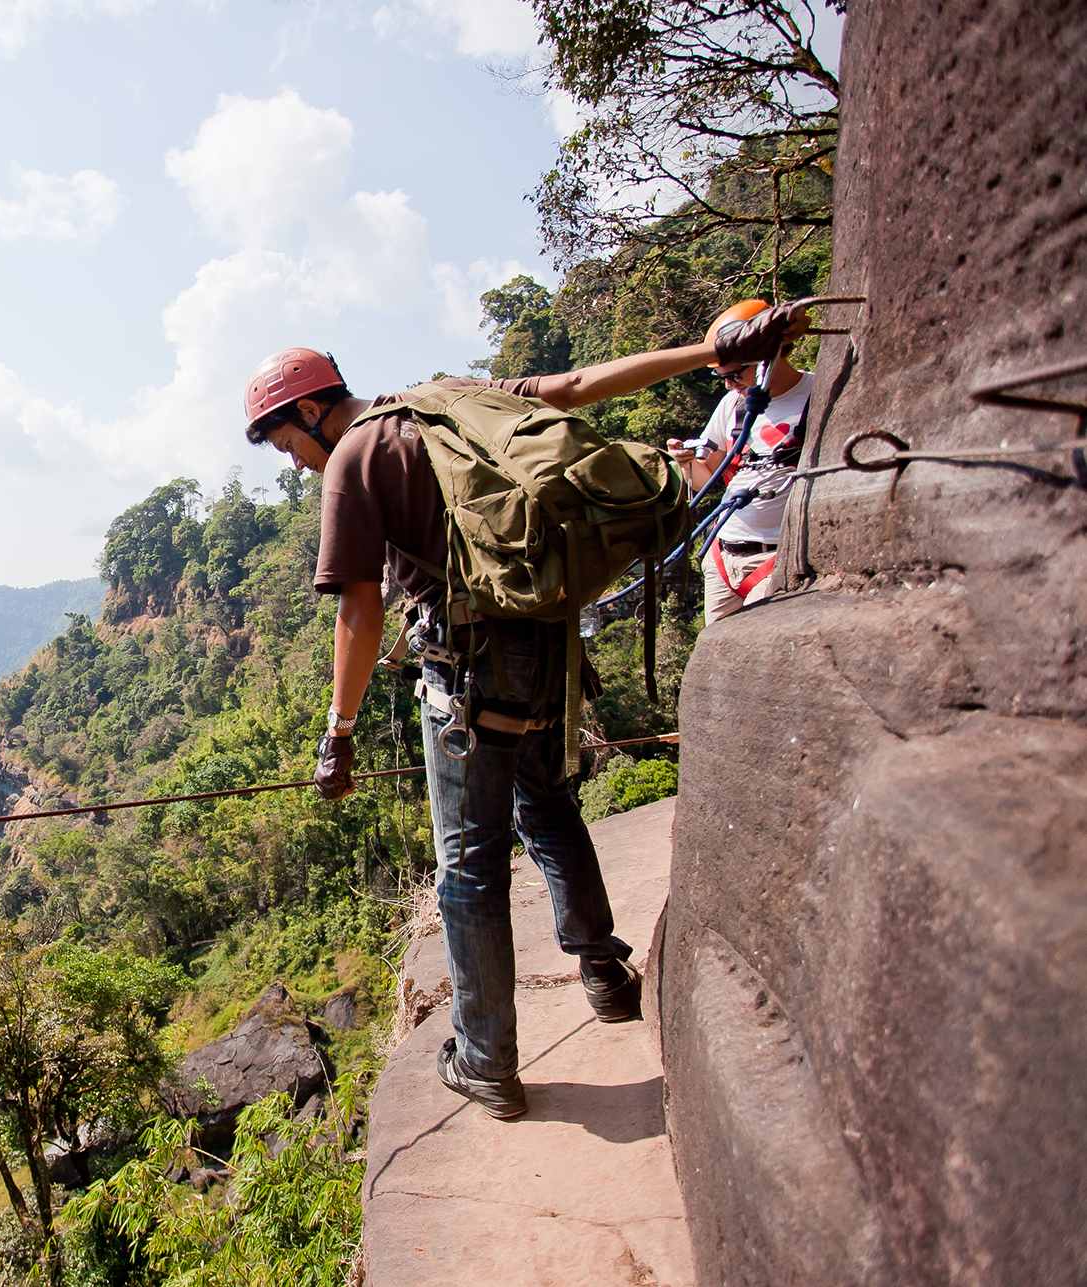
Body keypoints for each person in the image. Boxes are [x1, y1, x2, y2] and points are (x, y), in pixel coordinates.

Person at [240, 302, 811, 1119]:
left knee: (467, 866)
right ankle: (605, 973)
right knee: (546, 806)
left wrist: (339, 731)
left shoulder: (352, 462)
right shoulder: (446, 400)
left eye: (287, 443)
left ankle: (487, 1060)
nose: (295, 463)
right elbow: (578, 387)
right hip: (548, 645)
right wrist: (710, 348)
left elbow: (358, 614)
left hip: (466, 674)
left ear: (306, 411)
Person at [666, 300, 814, 621]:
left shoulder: (815, 394)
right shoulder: (733, 405)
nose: (729, 385)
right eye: (723, 377)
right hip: (724, 554)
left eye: (735, 375)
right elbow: (709, 481)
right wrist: (685, 461)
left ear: (768, 357)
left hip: (775, 557)